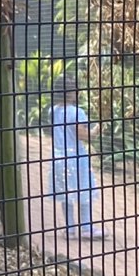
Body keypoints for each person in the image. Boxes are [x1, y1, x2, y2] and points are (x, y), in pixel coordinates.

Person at [48, 89, 103, 238]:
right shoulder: (77, 112)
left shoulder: (52, 111)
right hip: (76, 157)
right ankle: (86, 227)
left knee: (66, 192)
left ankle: (69, 228)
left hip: (58, 156)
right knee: (84, 189)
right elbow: (82, 135)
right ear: (72, 93)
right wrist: (96, 131)